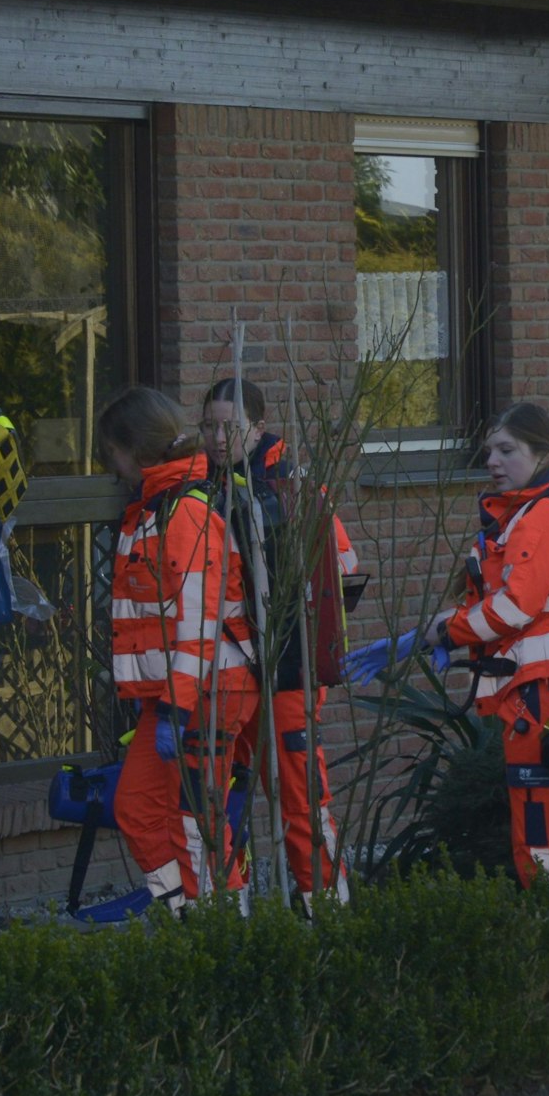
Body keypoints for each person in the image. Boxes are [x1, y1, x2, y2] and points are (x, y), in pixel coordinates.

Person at [423, 403, 549, 886]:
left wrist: (448, 631)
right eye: (489, 452)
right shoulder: (540, 511)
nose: (493, 462)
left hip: (544, 697)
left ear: (542, 453)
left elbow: (513, 608)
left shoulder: (540, 516)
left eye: (507, 450)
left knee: (544, 827)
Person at [200, 378, 359, 907]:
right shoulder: (200, 491)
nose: (217, 438)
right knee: (222, 799)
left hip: (287, 670)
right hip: (227, 670)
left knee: (300, 797)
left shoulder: (293, 488)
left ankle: (326, 911)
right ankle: (237, 914)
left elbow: (342, 569)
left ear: (259, 428)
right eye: (208, 427)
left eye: (230, 427)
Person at [100, 386, 256, 914]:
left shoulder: (183, 513)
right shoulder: (156, 508)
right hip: (181, 694)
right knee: (138, 807)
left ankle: (223, 928)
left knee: (195, 822)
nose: (112, 468)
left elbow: (198, 621)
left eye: (113, 453)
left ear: (135, 449)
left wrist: (175, 708)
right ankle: (183, 914)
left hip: (206, 691)